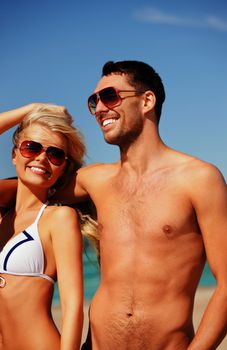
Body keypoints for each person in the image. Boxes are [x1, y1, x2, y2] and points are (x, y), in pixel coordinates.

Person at [1, 60, 227, 350]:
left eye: (110, 97)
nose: (100, 109)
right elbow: (25, 184)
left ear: (147, 101)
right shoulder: (93, 181)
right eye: (94, 101)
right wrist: (29, 110)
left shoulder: (198, 179)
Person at [0, 104, 85, 349]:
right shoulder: (4, 217)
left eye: (55, 154)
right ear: (14, 154)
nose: (42, 158)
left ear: (63, 168)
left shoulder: (58, 218)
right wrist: (31, 109)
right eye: (31, 147)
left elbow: (72, 308)